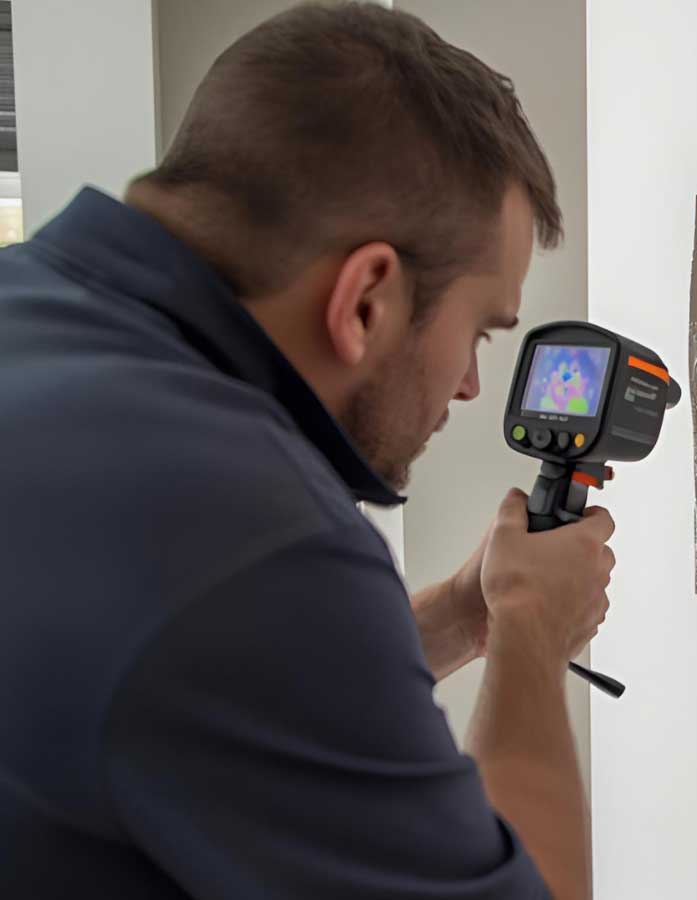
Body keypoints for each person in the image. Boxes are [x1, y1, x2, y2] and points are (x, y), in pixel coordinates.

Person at [0, 3, 614, 898]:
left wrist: (455, 617)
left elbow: (200, 687)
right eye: (481, 330)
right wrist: (530, 628)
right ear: (367, 297)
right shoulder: (248, 532)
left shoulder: (33, 313)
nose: (473, 386)